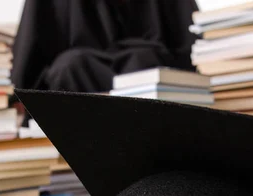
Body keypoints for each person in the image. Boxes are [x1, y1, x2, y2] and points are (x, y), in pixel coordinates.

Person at [11, 0, 199, 117]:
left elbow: (194, 52)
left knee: (143, 64)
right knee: (70, 66)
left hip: (152, 91)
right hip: (76, 92)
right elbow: (27, 65)